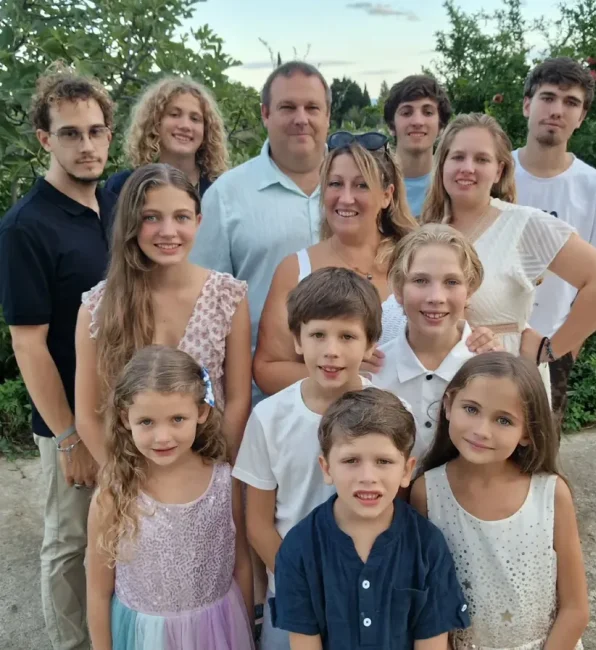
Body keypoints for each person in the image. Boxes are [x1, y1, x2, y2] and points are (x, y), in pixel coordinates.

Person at [0, 65, 116, 650]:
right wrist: (70, 437)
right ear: (45, 139)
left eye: (95, 131)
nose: (86, 145)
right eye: (70, 133)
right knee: (70, 540)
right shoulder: (26, 226)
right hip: (70, 419)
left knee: (116, 533)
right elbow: (28, 342)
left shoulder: (113, 205)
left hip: (125, 410)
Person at [420, 113, 596, 397]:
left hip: (503, 385)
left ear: (499, 171)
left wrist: (550, 350)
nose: (467, 168)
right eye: (458, 157)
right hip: (434, 384)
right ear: (442, 164)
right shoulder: (427, 232)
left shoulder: (523, 225)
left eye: (481, 159)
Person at [232, 268, 383, 650]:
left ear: (370, 344)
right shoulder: (269, 418)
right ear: (297, 339)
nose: (331, 350)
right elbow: (258, 525)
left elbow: (396, 511)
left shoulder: (391, 416)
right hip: (294, 594)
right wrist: (303, 585)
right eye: (318, 335)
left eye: (347, 336)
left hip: (368, 594)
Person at [75, 164, 251, 466]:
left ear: (198, 221)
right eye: (151, 217)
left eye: (181, 217)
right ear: (131, 223)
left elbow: (237, 400)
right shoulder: (98, 307)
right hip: (131, 472)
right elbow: (89, 416)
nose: (168, 231)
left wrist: (215, 473)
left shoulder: (227, 296)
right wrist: (125, 481)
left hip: (208, 466)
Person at [411, 352, 589, 649]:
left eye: (504, 420)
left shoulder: (551, 494)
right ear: (448, 405)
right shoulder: (426, 493)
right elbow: (426, 605)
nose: (482, 431)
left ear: (528, 433)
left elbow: (575, 609)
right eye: (471, 409)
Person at [272, 388, 471, 649]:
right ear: (327, 468)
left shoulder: (427, 546)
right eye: (351, 460)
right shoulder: (299, 548)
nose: (368, 477)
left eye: (383, 461)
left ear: (407, 470)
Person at [86, 345, 255, 650]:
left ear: (201, 412)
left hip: (217, 631)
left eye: (177, 419)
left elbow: (241, 563)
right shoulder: (114, 493)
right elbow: (98, 592)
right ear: (125, 418)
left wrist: (247, 632)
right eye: (147, 422)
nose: (163, 437)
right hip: (144, 638)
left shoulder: (224, 482)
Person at [191, 61, 330, 405]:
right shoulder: (226, 196)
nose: (301, 118)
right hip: (260, 400)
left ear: (328, 115)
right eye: (288, 107)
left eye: (312, 108)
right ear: (265, 114)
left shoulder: (358, 189)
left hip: (356, 397)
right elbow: (202, 306)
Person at [253, 131, 416, 395]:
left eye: (362, 185)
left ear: (387, 195)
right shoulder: (296, 269)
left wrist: (480, 339)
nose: (346, 198)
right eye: (336, 184)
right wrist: (342, 374)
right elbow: (267, 369)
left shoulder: (415, 263)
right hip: (325, 419)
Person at [514, 57, 596, 421]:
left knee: (541, 448)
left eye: (571, 102)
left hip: (550, 346)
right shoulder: (494, 174)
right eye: (548, 97)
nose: (557, 110)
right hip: (484, 339)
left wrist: (560, 351)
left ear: (582, 117)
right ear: (527, 105)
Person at [373, 224, 492, 460]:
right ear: (398, 288)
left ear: (470, 289)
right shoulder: (373, 372)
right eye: (420, 280)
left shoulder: (491, 369)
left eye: (451, 282)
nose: (436, 297)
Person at [105, 77, 228, 197]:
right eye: (174, 114)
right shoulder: (122, 187)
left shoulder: (221, 190)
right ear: (155, 122)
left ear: (206, 130)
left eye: (195, 119)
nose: (185, 126)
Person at [383, 74, 452, 218]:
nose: (417, 122)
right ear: (391, 125)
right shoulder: (374, 181)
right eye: (406, 113)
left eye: (428, 112)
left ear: (441, 126)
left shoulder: (452, 184)